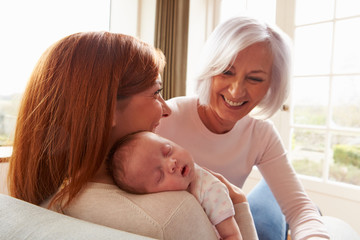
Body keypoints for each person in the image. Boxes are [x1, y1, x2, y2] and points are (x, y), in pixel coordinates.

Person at [7, 31, 257, 240]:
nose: (166, 108)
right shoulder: (173, 215)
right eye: (155, 93)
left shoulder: (45, 199)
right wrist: (240, 204)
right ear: (106, 111)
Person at [156, 16, 331, 240]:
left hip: (233, 215)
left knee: (291, 204)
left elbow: (300, 209)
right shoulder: (166, 117)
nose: (236, 92)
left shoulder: (261, 134)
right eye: (227, 72)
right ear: (210, 68)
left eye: (255, 79)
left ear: (272, 85)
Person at [106, 131, 257, 240]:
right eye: (160, 176)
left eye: (167, 150)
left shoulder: (209, 188)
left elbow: (232, 235)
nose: (172, 164)